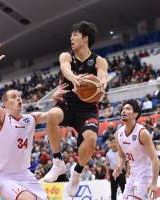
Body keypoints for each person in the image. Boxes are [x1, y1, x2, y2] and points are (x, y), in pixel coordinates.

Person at [0, 41, 67, 200]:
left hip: (25, 175)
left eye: (19, 96)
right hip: (4, 177)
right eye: (13, 97)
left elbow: (52, 115)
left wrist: (58, 100)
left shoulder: (30, 118)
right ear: (5, 103)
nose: (18, 99)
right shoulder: (0, 116)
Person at [42, 21, 108, 197]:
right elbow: (65, 69)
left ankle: (77, 173)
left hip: (87, 109)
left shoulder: (99, 60)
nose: (71, 38)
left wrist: (101, 85)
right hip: (68, 104)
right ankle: (57, 162)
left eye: (75, 35)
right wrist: (74, 78)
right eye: (71, 35)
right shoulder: (66, 56)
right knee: (52, 115)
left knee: (92, 139)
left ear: (85, 38)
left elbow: (103, 78)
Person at [113, 100, 160, 200]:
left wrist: (154, 183)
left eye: (128, 109)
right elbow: (122, 156)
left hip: (145, 175)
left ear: (135, 114)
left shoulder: (142, 133)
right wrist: (119, 167)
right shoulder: (118, 133)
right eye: (123, 109)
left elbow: (155, 159)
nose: (123, 111)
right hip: (132, 176)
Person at [106, 135, 126, 200]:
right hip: (112, 172)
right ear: (110, 144)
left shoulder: (121, 151)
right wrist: (108, 174)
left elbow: (127, 162)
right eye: (112, 142)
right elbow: (107, 165)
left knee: (124, 189)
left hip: (121, 171)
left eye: (115, 142)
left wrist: (128, 172)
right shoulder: (108, 153)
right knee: (113, 190)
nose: (114, 144)